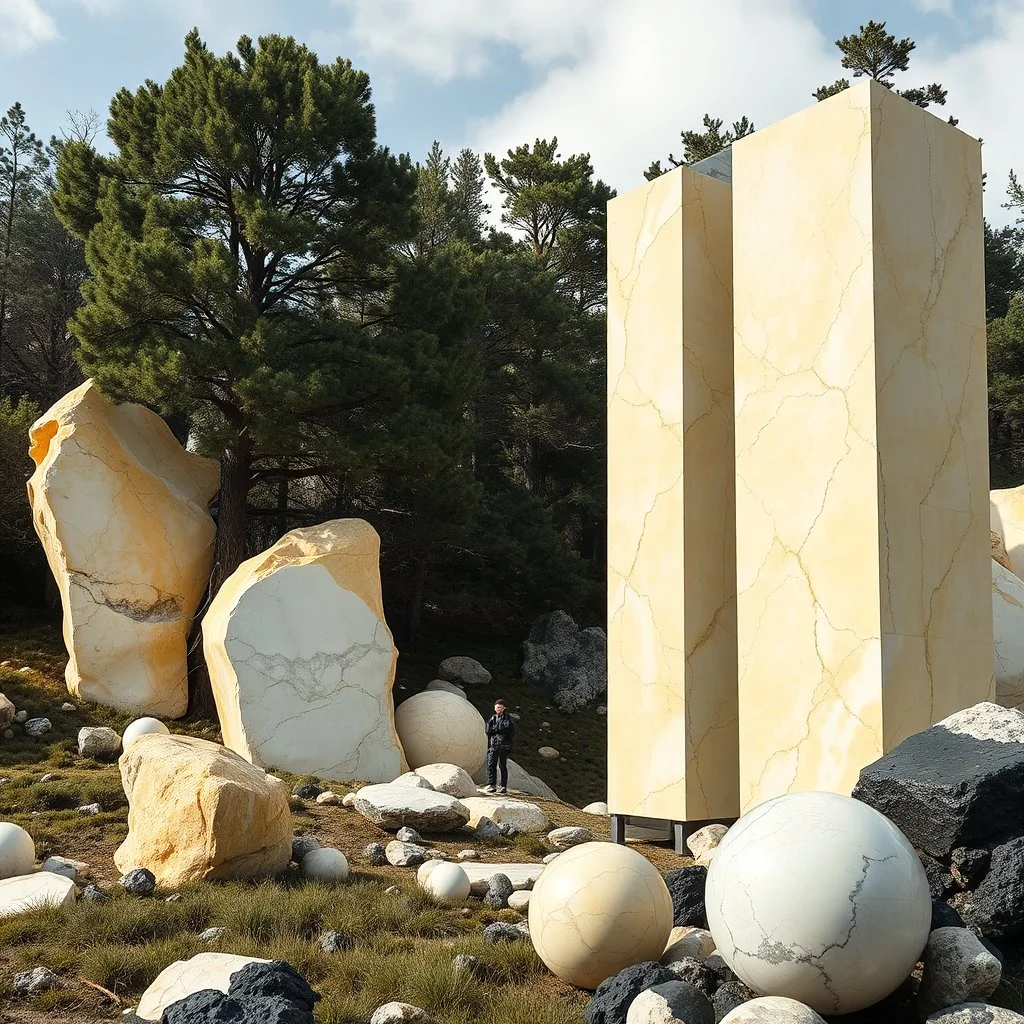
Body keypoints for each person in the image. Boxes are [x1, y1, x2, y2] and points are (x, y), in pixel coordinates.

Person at [484, 699, 515, 794]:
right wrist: (496, 730)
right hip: (493, 745)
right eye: (497, 707)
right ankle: (492, 784)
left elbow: (506, 729)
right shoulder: (493, 718)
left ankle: (503, 786)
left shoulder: (507, 718)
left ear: (504, 708)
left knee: (502, 766)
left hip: (503, 745)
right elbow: (488, 730)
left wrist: (496, 730)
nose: (499, 709)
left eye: (500, 707)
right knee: (491, 764)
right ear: (494, 708)